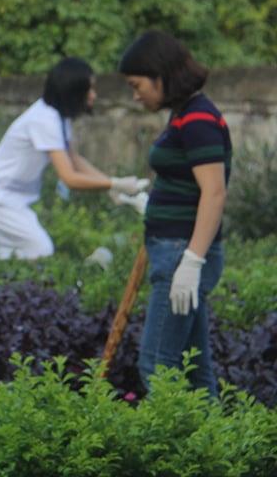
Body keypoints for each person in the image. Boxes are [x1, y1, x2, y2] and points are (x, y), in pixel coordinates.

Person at [119, 31, 230, 397]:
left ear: (161, 75)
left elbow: (214, 192)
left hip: (182, 253)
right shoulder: (184, 116)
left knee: (157, 364)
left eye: (137, 85)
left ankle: (170, 435)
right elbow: (185, 183)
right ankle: (216, 434)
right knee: (195, 370)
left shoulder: (198, 119)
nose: (136, 96)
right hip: (173, 249)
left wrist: (192, 261)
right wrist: (148, 203)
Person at [0, 57, 148, 260]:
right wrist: (113, 183)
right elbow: (69, 177)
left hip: (4, 194)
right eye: (89, 89)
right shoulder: (45, 120)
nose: (94, 95)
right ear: (73, 91)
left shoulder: (57, 118)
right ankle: (78, 272)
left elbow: (74, 159)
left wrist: (110, 186)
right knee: (40, 250)